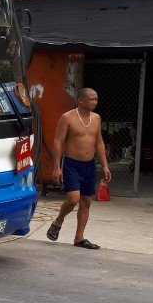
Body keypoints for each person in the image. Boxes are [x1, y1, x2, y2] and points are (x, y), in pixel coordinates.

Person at [46, 88, 112, 249]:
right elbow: (58, 142)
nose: (94, 102)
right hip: (71, 164)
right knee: (74, 198)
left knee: (86, 201)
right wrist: (56, 167)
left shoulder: (96, 118)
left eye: (96, 99)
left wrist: (104, 165)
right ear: (81, 100)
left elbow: (99, 143)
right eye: (91, 99)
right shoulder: (67, 117)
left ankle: (79, 238)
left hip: (89, 165)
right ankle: (59, 220)